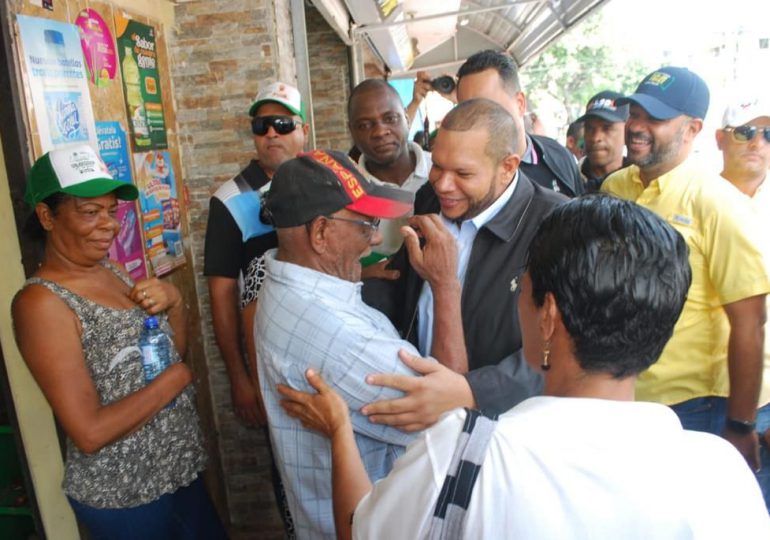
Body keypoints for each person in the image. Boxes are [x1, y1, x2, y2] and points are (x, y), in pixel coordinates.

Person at [278, 195, 770, 540]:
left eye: (525, 285)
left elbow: (359, 528)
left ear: (549, 316)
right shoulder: (719, 472)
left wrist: (340, 428)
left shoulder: (461, 456)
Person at [12, 145, 225, 539]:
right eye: (90, 212)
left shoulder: (109, 268)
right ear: (46, 216)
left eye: (111, 211)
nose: (108, 225)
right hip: (126, 498)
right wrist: (174, 380)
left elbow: (164, 358)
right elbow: (89, 432)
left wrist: (175, 303)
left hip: (177, 472)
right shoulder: (41, 304)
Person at [256, 149, 468, 538]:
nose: (373, 238)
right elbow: (453, 418)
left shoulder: (279, 274)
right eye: (366, 223)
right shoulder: (342, 339)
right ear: (320, 233)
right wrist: (445, 285)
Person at [363, 98, 566, 431]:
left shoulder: (559, 225)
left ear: (508, 166)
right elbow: (403, 288)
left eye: (463, 173)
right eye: (437, 166)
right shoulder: (431, 198)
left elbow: (564, 349)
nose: (443, 184)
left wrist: (472, 391)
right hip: (420, 415)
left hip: (502, 432)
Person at [602, 67, 770, 469]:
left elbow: (750, 322)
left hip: (700, 408)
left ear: (693, 129)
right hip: (627, 397)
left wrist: (741, 423)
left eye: (656, 119)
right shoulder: (615, 188)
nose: (638, 127)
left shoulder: (717, 203)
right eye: (636, 114)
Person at [204, 81, 308, 427]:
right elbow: (221, 295)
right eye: (261, 126)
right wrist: (240, 378)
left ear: (303, 132)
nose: (271, 134)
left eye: (283, 124)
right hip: (271, 366)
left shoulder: (321, 185)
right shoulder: (228, 201)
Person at [716, 94, 770, 510]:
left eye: (768, 133)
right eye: (746, 132)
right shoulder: (697, 199)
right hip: (698, 400)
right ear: (720, 139)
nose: (757, 143)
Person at [455, 49, 584, 197]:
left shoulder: (558, 156)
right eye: (466, 112)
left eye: (489, 109)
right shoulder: (452, 177)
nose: (476, 121)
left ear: (520, 104)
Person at [348, 79, 431, 263]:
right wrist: (364, 274)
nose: (380, 131)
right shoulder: (345, 193)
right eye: (364, 125)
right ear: (352, 131)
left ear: (407, 119)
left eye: (390, 119)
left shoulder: (442, 171)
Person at [576, 90, 630, 192]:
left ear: (627, 131)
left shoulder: (641, 183)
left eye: (607, 128)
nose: (595, 138)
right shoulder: (567, 180)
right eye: (590, 128)